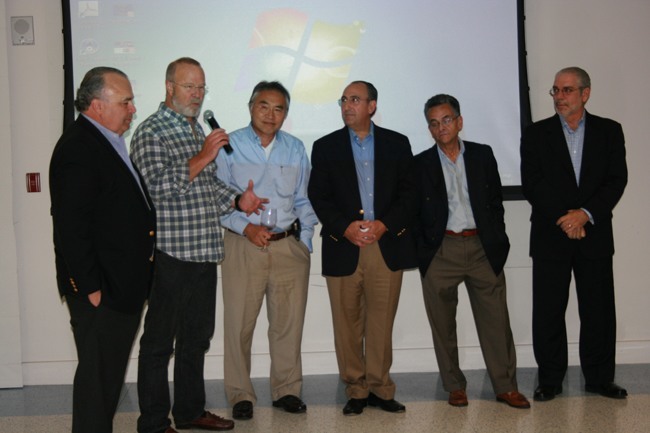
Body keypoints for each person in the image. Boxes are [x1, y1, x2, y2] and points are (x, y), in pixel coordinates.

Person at [131, 57, 265, 433]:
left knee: (196, 340)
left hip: (205, 253)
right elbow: (157, 188)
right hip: (171, 255)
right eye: (189, 86)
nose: (197, 94)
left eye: (201, 88)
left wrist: (240, 201)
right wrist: (206, 153)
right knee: (159, 344)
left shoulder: (193, 130)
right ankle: (154, 422)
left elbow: (206, 188)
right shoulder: (151, 131)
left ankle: (190, 411)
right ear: (169, 86)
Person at [49, 66, 156, 433]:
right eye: (125, 102)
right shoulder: (79, 148)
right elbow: (70, 227)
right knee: (97, 385)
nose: (132, 109)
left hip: (119, 287)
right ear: (97, 106)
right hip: (102, 292)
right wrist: (90, 288)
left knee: (106, 382)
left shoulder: (106, 141)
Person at [308, 80, 417, 416]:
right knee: (347, 324)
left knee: (381, 323)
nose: (347, 106)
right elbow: (319, 196)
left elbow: (409, 194)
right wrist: (345, 227)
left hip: (385, 245)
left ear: (372, 106)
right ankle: (356, 389)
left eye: (355, 100)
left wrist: (385, 224)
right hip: (345, 244)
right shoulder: (325, 147)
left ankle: (381, 388)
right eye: (343, 100)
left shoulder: (397, 144)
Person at [413, 94, 530, 409]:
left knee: (496, 322)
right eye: (434, 123)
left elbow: (494, 203)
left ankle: (506, 386)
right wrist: (425, 251)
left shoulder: (482, 155)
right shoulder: (420, 163)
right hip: (441, 251)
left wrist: (498, 240)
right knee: (442, 324)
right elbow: (414, 212)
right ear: (430, 129)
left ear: (459, 121)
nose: (441, 128)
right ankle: (454, 386)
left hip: (481, 248)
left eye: (447, 120)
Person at [521, 67, 628, 401]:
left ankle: (599, 378)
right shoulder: (536, 134)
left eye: (566, 90)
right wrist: (566, 219)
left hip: (594, 233)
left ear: (585, 93)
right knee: (549, 311)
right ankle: (550, 379)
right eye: (555, 91)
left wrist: (584, 215)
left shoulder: (610, 131)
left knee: (598, 310)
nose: (559, 97)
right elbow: (533, 183)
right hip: (551, 235)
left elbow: (616, 180)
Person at [216, 80, 318, 420]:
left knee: (288, 325)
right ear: (250, 107)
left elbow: (304, 199)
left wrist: (304, 244)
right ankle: (240, 394)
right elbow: (217, 199)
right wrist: (246, 227)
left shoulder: (294, 148)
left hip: (288, 247)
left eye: (279, 109)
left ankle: (287, 390)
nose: (270, 114)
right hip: (243, 245)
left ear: (285, 114)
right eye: (264, 106)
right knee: (239, 325)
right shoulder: (229, 147)